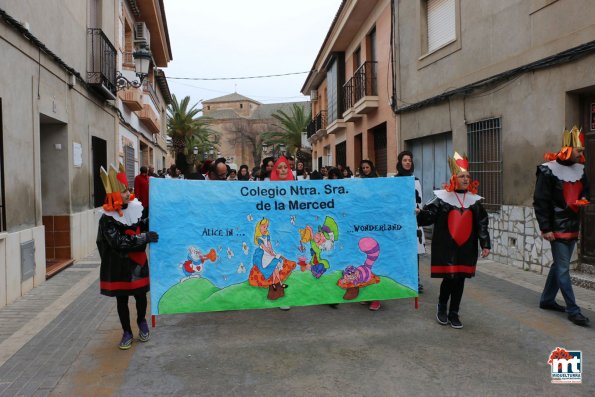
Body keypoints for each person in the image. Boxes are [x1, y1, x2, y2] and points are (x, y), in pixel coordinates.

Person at [417, 152, 490, 329]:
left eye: (468, 176)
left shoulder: (475, 201)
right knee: (449, 279)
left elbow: (482, 223)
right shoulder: (442, 198)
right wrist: (421, 214)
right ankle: (442, 307)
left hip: (467, 248)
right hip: (447, 247)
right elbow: (429, 216)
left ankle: (454, 313)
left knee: (460, 280)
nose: (465, 179)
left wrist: (485, 243)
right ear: (454, 178)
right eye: (462, 176)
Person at [97, 164, 159, 349]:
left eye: (127, 189)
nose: (128, 193)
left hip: (138, 263)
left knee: (141, 297)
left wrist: (157, 219)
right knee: (122, 299)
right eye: (124, 191)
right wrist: (144, 237)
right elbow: (118, 241)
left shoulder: (134, 208)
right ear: (115, 194)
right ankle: (126, 331)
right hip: (119, 265)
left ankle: (141, 320)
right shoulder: (107, 218)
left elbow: (139, 223)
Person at [534, 126, 590, 326]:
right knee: (564, 268)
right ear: (568, 147)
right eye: (579, 150)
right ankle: (574, 310)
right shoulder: (547, 170)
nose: (582, 154)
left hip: (573, 225)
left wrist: (584, 198)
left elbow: (587, 191)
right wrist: (546, 228)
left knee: (559, 265)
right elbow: (540, 201)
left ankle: (547, 300)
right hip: (556, 228)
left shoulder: (580, 170)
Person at [396, 151, 426, 293]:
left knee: (414, 253)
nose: (407, 162)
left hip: (414, 222)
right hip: (400, 223)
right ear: (400, 162)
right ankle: (401, 280)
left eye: (409, 160)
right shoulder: (394, 181)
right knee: (401, 252)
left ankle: (416, 280)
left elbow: (420, 200)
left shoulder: (416, 180)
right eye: (405, 160)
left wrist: (419, 210)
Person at [356, 159, 382, 310]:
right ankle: (366, 294)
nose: (365, 169)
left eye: (367, 167)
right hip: (362, 225)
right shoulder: (358, 184)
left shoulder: (378, 183)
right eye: (363, 167)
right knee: (362, 262)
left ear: (372, 168)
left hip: (375, 225)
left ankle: (376, 298)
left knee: (376, 263)